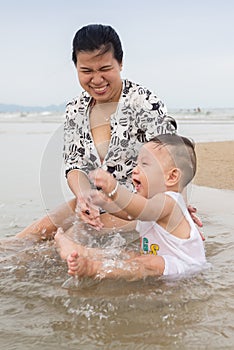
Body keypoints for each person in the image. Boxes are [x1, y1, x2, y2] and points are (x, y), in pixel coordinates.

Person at [15, 23, 183, 242]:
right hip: (96, 201)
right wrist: (83, 196)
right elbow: (74, 164)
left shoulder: (144, 103)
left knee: (74, 237)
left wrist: (179, 210)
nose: (96, 80)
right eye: (86, 71)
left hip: (138, 206)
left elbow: (171, 160)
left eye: (104, 69)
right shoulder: (75, 108)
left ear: (120, 64)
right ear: (76, 68)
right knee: (29, 236)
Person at [57, 134, 207, 280]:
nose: (135, 169)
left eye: (145, 164)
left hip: (185, 268)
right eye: (137, 163)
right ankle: (82, 252)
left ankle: (93, 268)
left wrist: (114, 188)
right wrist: (105, 203)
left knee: (147, 263)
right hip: (161, 261)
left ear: (172, 177)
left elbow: (142, 209)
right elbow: (129, 213)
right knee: (128, 255)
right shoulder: (151, 201)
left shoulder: (169, 202)